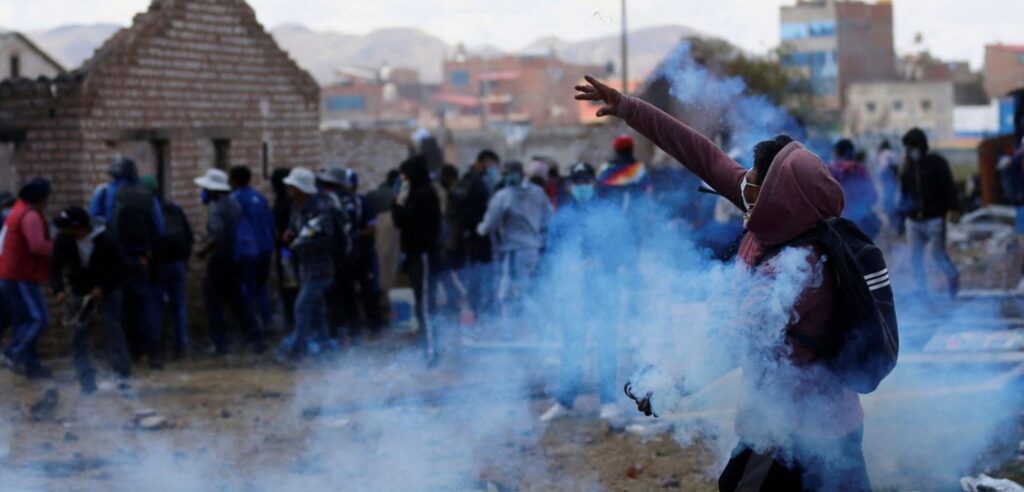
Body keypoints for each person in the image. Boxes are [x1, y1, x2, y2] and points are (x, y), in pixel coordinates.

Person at [576, 75, 871, 491]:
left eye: (753, 177)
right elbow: (703, 155)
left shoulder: (796, 267)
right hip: (817, 426)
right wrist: (628, 107)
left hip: (795, 435)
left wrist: (665, 385)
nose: (741, 181)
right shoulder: (785, 218)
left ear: (778, 194)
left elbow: (733, 342)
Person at [540, 162, 624, 422]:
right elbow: (552, 253)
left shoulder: (608, 213)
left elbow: (622, 246)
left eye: (586, 181)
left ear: (593, 183)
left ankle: (609, 400)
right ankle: (564, 402)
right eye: (577, 182)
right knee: (572, 346)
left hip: (604, 289)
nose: (581, 186)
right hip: (573, 291)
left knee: (606, 345)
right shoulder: (562, 217)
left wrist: (603, 263)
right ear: (570, 185)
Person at [88, 158, 165, 368]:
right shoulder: (147, 196)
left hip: (113, 263)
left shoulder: (104, 193)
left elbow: (92, 225)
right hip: (139, 260)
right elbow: (159, 229)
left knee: (115, 312)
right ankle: (153, 355)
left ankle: (122, 359)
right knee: (144, 308)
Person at [51, 206, 131, 393]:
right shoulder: (64, 240)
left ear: (79, 228)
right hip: (80, 289)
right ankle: (86, 381)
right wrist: (59, 289)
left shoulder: (106, 240)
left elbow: (121, 269)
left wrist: (102, 288)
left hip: (108, 290)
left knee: (113, 330)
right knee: (78, 335)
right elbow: (55, 266)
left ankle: (122, 376)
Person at [476, 161, 553, 333]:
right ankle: (521, 331)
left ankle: (524, 330)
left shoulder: (503, 196)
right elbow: (549, 218)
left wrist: (479, 229)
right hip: (533, 249)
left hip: (514, 250)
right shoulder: (538, 192)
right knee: (522, 291)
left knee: (510, 293)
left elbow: (489, 225)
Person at [194, 169, 264, 355]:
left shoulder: (216, 207)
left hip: (221, 260)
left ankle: (221, 344)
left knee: (214, 303)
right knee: (238, 301)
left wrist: (202, 251)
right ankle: (255, 339)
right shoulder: (233, 203)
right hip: (236, 258)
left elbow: (217, 236)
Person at [278, 167, 336, 360]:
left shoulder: (320, 208)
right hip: (305, 267)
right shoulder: (297, 207)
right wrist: (290, 234)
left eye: (292, 187)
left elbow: (326, 238)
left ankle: (298, 348)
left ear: (300, 189)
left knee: (302, 306)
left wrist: (301, 243)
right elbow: (296, 228)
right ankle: (325, 344)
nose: (288, 190)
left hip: (320, 268)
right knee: (316, 308)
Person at [0, 178, 55, 378]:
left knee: (24, 320)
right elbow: (37, 245)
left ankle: (31, 367)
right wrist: (56, 247)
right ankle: (13, 353)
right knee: (38, 319)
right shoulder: (29, 215)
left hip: (12, 274)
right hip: (20, 275)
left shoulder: (18, 210)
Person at [392, 155, 442, 365]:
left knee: (425, 305)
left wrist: (399, 202)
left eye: (405, 175)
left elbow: (402, 219)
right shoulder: (418, 194)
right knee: (422, 303)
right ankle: (428, 346)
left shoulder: (424, 195)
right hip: (415, 254)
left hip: (423, 254)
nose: (403, 179)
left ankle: (431, 351)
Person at [898, 127, 960, 297]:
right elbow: (903, 193)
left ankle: (953, 277)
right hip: (913, 220)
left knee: (937, 253)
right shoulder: (907, 168)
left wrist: (954, 208)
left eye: (913, 146)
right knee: (915, 257)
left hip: (935, 218)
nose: (911, 151)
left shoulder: (937, 163)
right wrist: (900, 219)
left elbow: (949, 187)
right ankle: (921, 290)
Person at [144, 176, 194, 360]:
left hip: (158, 265)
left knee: (155, 306)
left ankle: (156, 349)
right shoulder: (174, 208)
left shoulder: (148, 210)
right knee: (179, 306)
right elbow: (189, 235)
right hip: (179, 263)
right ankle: (181, 346)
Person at [451, 150, 500, 318]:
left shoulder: (469, 180)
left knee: (477, 276)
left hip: (474, 235)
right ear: (482, 163)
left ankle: (480, 309)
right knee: (481, 276)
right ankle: (482, 311)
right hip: (478, 235)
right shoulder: (476, 182)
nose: (493, 168)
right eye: (491, 165)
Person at [229, 166, 276, 333]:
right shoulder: (260, 197)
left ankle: (253, 329)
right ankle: (267, 321)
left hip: (248, 251)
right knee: (261, 288)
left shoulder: (235, 198)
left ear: (234, 180)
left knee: (247, 289)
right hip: (265, 248)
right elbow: (270, 222)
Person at [339, 168, 385, 334]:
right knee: (360, 291)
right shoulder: (354, 201)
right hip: (357, 255)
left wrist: (354, 235)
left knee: (360, 291)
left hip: (359, 254)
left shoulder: (360, 202)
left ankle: (365, 325)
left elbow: (372, 228)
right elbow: (372, 228)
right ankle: (369, 325)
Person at [828, 140, 880, 239]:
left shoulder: (829, 170)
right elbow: (873, 196)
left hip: (836, 225)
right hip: (861, 224)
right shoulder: (860, 170)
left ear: (836, 152)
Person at [271, 168, 298, 332]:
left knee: (290, 287)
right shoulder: (282, 201)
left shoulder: (288, 203)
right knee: (288, 286)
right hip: (285, 251)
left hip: (289, 251)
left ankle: (293, 323)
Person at [598, 135, 653, 210]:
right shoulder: (639, 169)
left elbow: (600, 190)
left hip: (610, 211)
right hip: (636, 211)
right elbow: (647, 191)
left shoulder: (606, 168)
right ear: (631, 149)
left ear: (615, 149)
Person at [876, 140, 900, 227]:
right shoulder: (892, 153)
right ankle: (894, 224)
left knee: (888, 202)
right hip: (891, 179)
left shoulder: (883, 154)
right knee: (892, 201)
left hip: (887, 178)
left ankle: (893, 224)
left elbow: (883, 168)